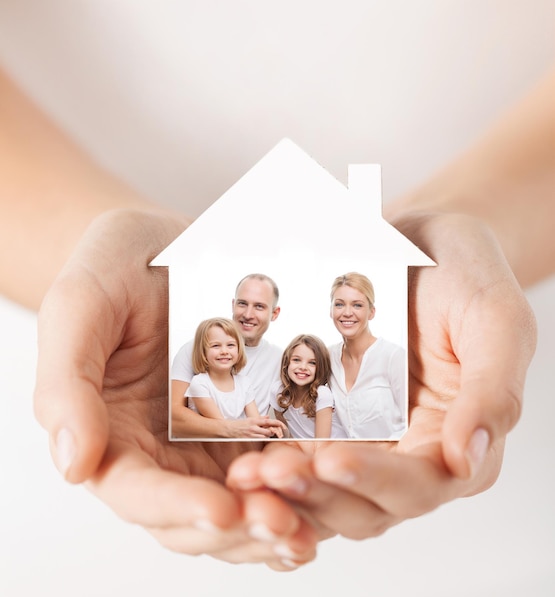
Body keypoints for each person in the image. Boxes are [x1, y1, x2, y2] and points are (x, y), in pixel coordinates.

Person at [2, 58, 553, 565]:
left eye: (257, 309)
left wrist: (455, 234)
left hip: (503, 530)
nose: (241, 324)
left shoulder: (311, 364)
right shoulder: (192, 360)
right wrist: (92, 253)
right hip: (57, 530)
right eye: (238, 307)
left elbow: (314, 411)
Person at [170, 274, 285, 439]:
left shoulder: (281, 359)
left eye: (259, 306)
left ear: (274, 313)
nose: (248, 314)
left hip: (251, 450)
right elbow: (173, 419)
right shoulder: (194, 348)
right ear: (233, 305)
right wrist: (231, 429)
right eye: (242, 303)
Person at [328, 272, 406, 439]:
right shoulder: (328, 357)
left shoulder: (393, 356)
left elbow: (413, 423)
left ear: (371, 312)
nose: (347, 313)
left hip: (391, 458)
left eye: (357, 305)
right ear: (331, 311)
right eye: (339, 304)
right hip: (347, 459)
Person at [185, 317, 284, 438]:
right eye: (216, 346)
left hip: (237, 442)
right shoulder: (199, 383)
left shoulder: (244, 382)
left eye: (231, 345)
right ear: (203, 352)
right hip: (211, 445)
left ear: (239, 349)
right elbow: (223, 428)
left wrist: (268, 428)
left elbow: (255, 420)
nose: (224, 351)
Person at [270, 334, 346, 439]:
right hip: (302, 449)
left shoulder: (322, 394)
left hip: (329, 450)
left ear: (320, 368)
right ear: (287, 362)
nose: (303, 367)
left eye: (312, 363)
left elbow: (322, 443)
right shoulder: (278, 391)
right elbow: (285, 434)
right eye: (296, 360)